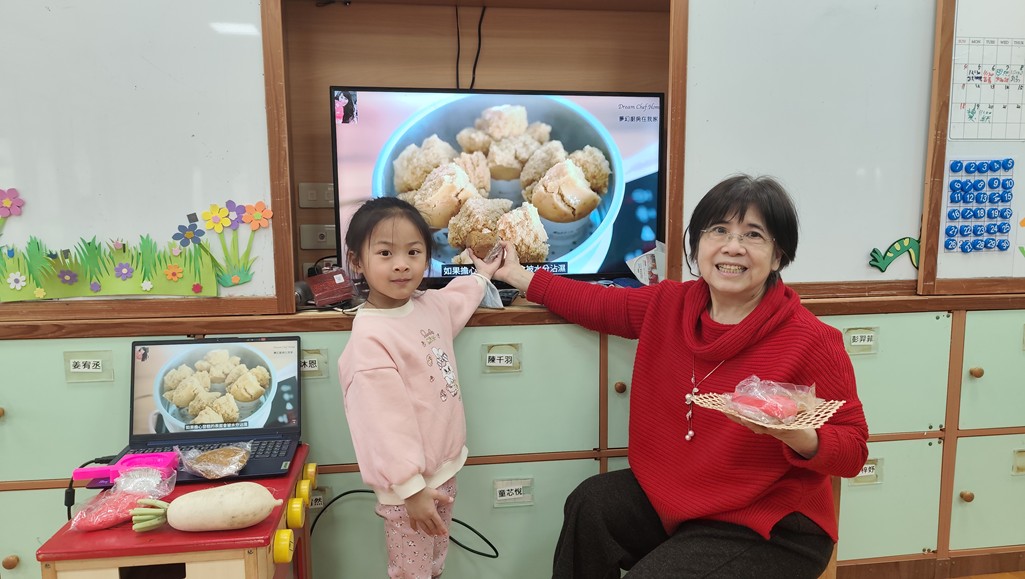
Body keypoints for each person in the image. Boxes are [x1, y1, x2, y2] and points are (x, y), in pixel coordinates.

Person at [491, 174, 869, 579]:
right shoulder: (669, 304)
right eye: (718, 230)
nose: (732, 246)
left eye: (753, 235)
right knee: (592, 504)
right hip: (681, 502)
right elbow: (598, 302)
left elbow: (853, 450)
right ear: (698, 243)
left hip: (769, 527)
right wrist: (518, 276)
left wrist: (800, 436)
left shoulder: (811, 339)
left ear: (778, 256)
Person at [337, 196, 500, 579]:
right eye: (385, 253)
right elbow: (383, 425)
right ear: (357, 261)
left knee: (435, 563)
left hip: (443, 471)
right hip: (407, 489)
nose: (401, 264)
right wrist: (411, 490)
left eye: (413, 252)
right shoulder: (370, 338)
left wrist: (482, 276)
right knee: (412, 572)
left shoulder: (427, 306)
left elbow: (456, 300)